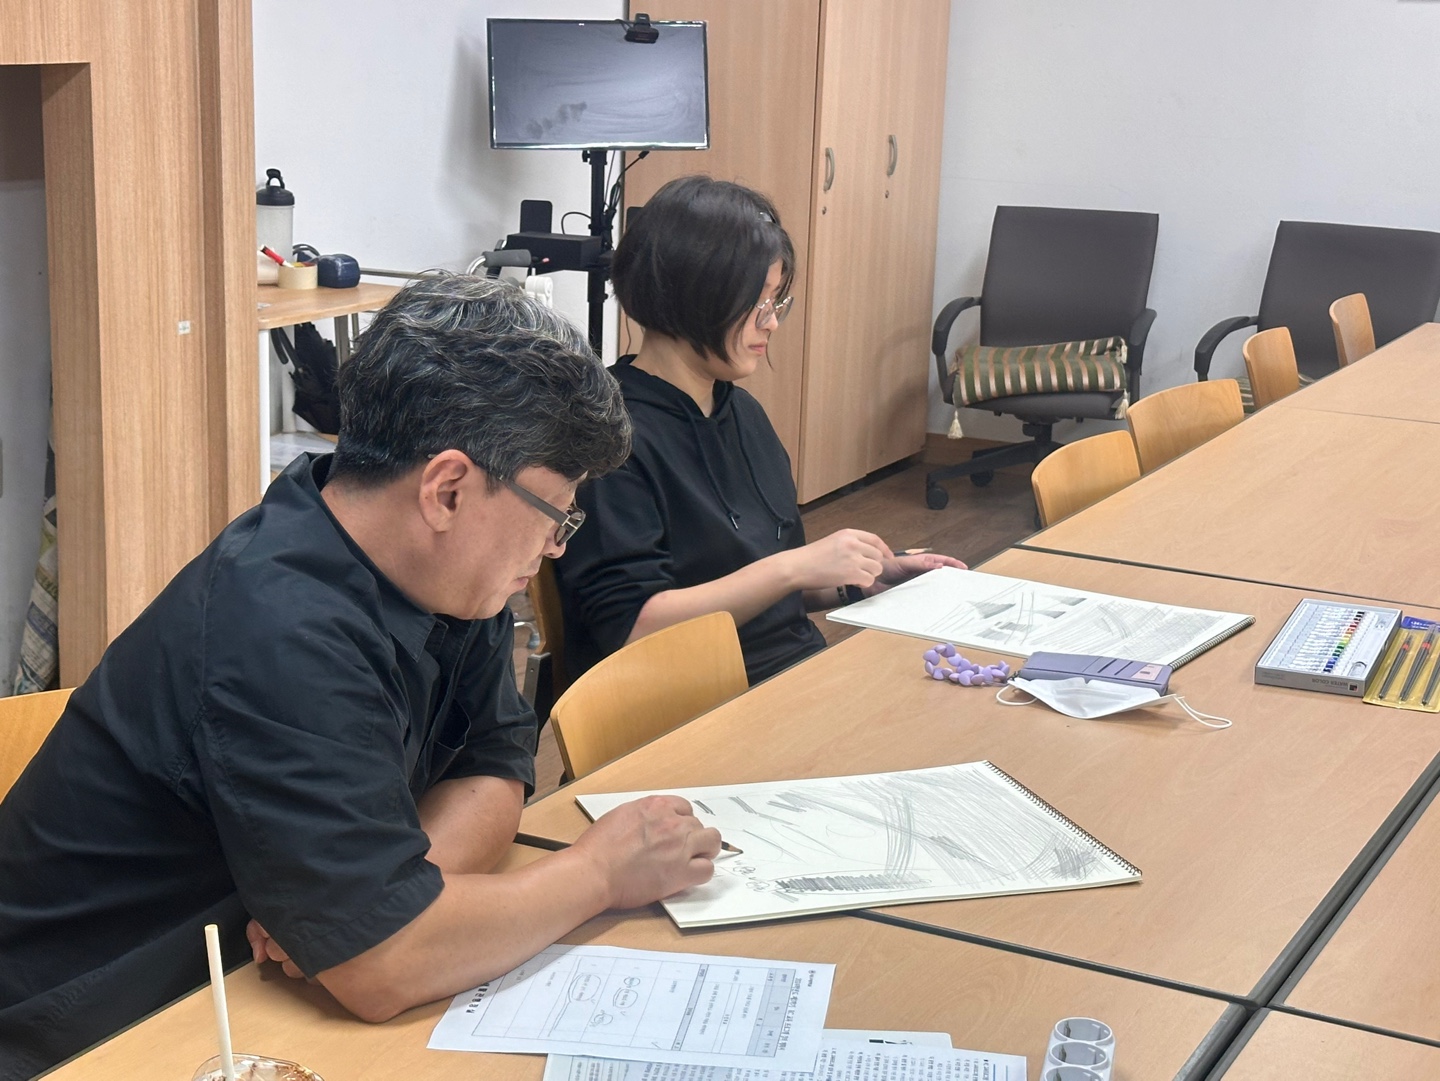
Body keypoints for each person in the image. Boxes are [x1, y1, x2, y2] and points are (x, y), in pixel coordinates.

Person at [0, 276, 719, 1080]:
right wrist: (597, 871)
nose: (554, 549)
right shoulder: (279, 625)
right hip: (88, 1032)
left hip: (243, 994)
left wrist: (378, 903)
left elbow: (494, 767)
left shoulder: (445, 570)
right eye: (555, 516)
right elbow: (383, 967)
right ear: (447, 489)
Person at [554, 176, 965, 686]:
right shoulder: (609, 438)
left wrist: (862, 580)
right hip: (694, 700)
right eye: (758, 302)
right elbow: (633, 629)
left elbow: (765, 591)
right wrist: (793, 567)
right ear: (694, 295)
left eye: (776, 302)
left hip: (789, 676)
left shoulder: (741, 412)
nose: (771, 323)